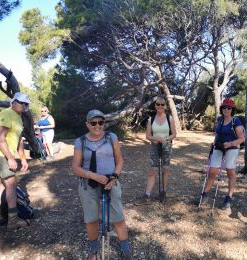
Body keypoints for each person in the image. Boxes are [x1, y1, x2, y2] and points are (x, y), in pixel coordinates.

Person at [71, 110, 132, 260]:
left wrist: (115, 177)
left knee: (118, 216)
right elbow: (75, 167)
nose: (97, 126)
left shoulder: (111, 137)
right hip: (88, 183)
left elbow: (119, 161)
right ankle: (94, 250)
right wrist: (93, 175)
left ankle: (125, 248)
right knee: (91, 219)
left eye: (101, 122)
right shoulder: (81, 141)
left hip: (111, 181)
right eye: (93, 123)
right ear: (87, 124)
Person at [0, 92, 31, 231]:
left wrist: (23, 158)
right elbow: (0, 138)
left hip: (5, 154)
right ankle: (12, 221)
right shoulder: (6, 113)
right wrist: (10, 158)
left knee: (4, 183)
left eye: (25, 103)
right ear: (13, 101)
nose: (23, 105)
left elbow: (19, 141)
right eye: (20, 102)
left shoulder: (18, 117)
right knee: (11, 183)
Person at [196, 98, 245, 209]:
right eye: (224, 107)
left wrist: (231, 143)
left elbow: (242, 138)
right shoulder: (219, 120)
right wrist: (214, 142)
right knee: (212, 170)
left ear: (232, 109)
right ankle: (205, 195)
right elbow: (217, 134)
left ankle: (229, 197)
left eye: (229, 108)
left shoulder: (236, 121)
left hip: (231, 148)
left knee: (230, 171)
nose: (226, 109)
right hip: (218, 147)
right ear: (221, 108)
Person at [140, 95, 177, 203]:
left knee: (165, 169)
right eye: (158, 104)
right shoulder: (151, 119)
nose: (160, 106)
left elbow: (174, 134)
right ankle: (147, 194)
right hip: (155, 146)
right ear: (155, 106)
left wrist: (165, 139)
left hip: (166, 146)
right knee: (153, 170)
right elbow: (147, 136)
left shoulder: (169, 118)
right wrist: (155, 138)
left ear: (165, 106)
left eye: (162, 104)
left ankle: (164, 192)